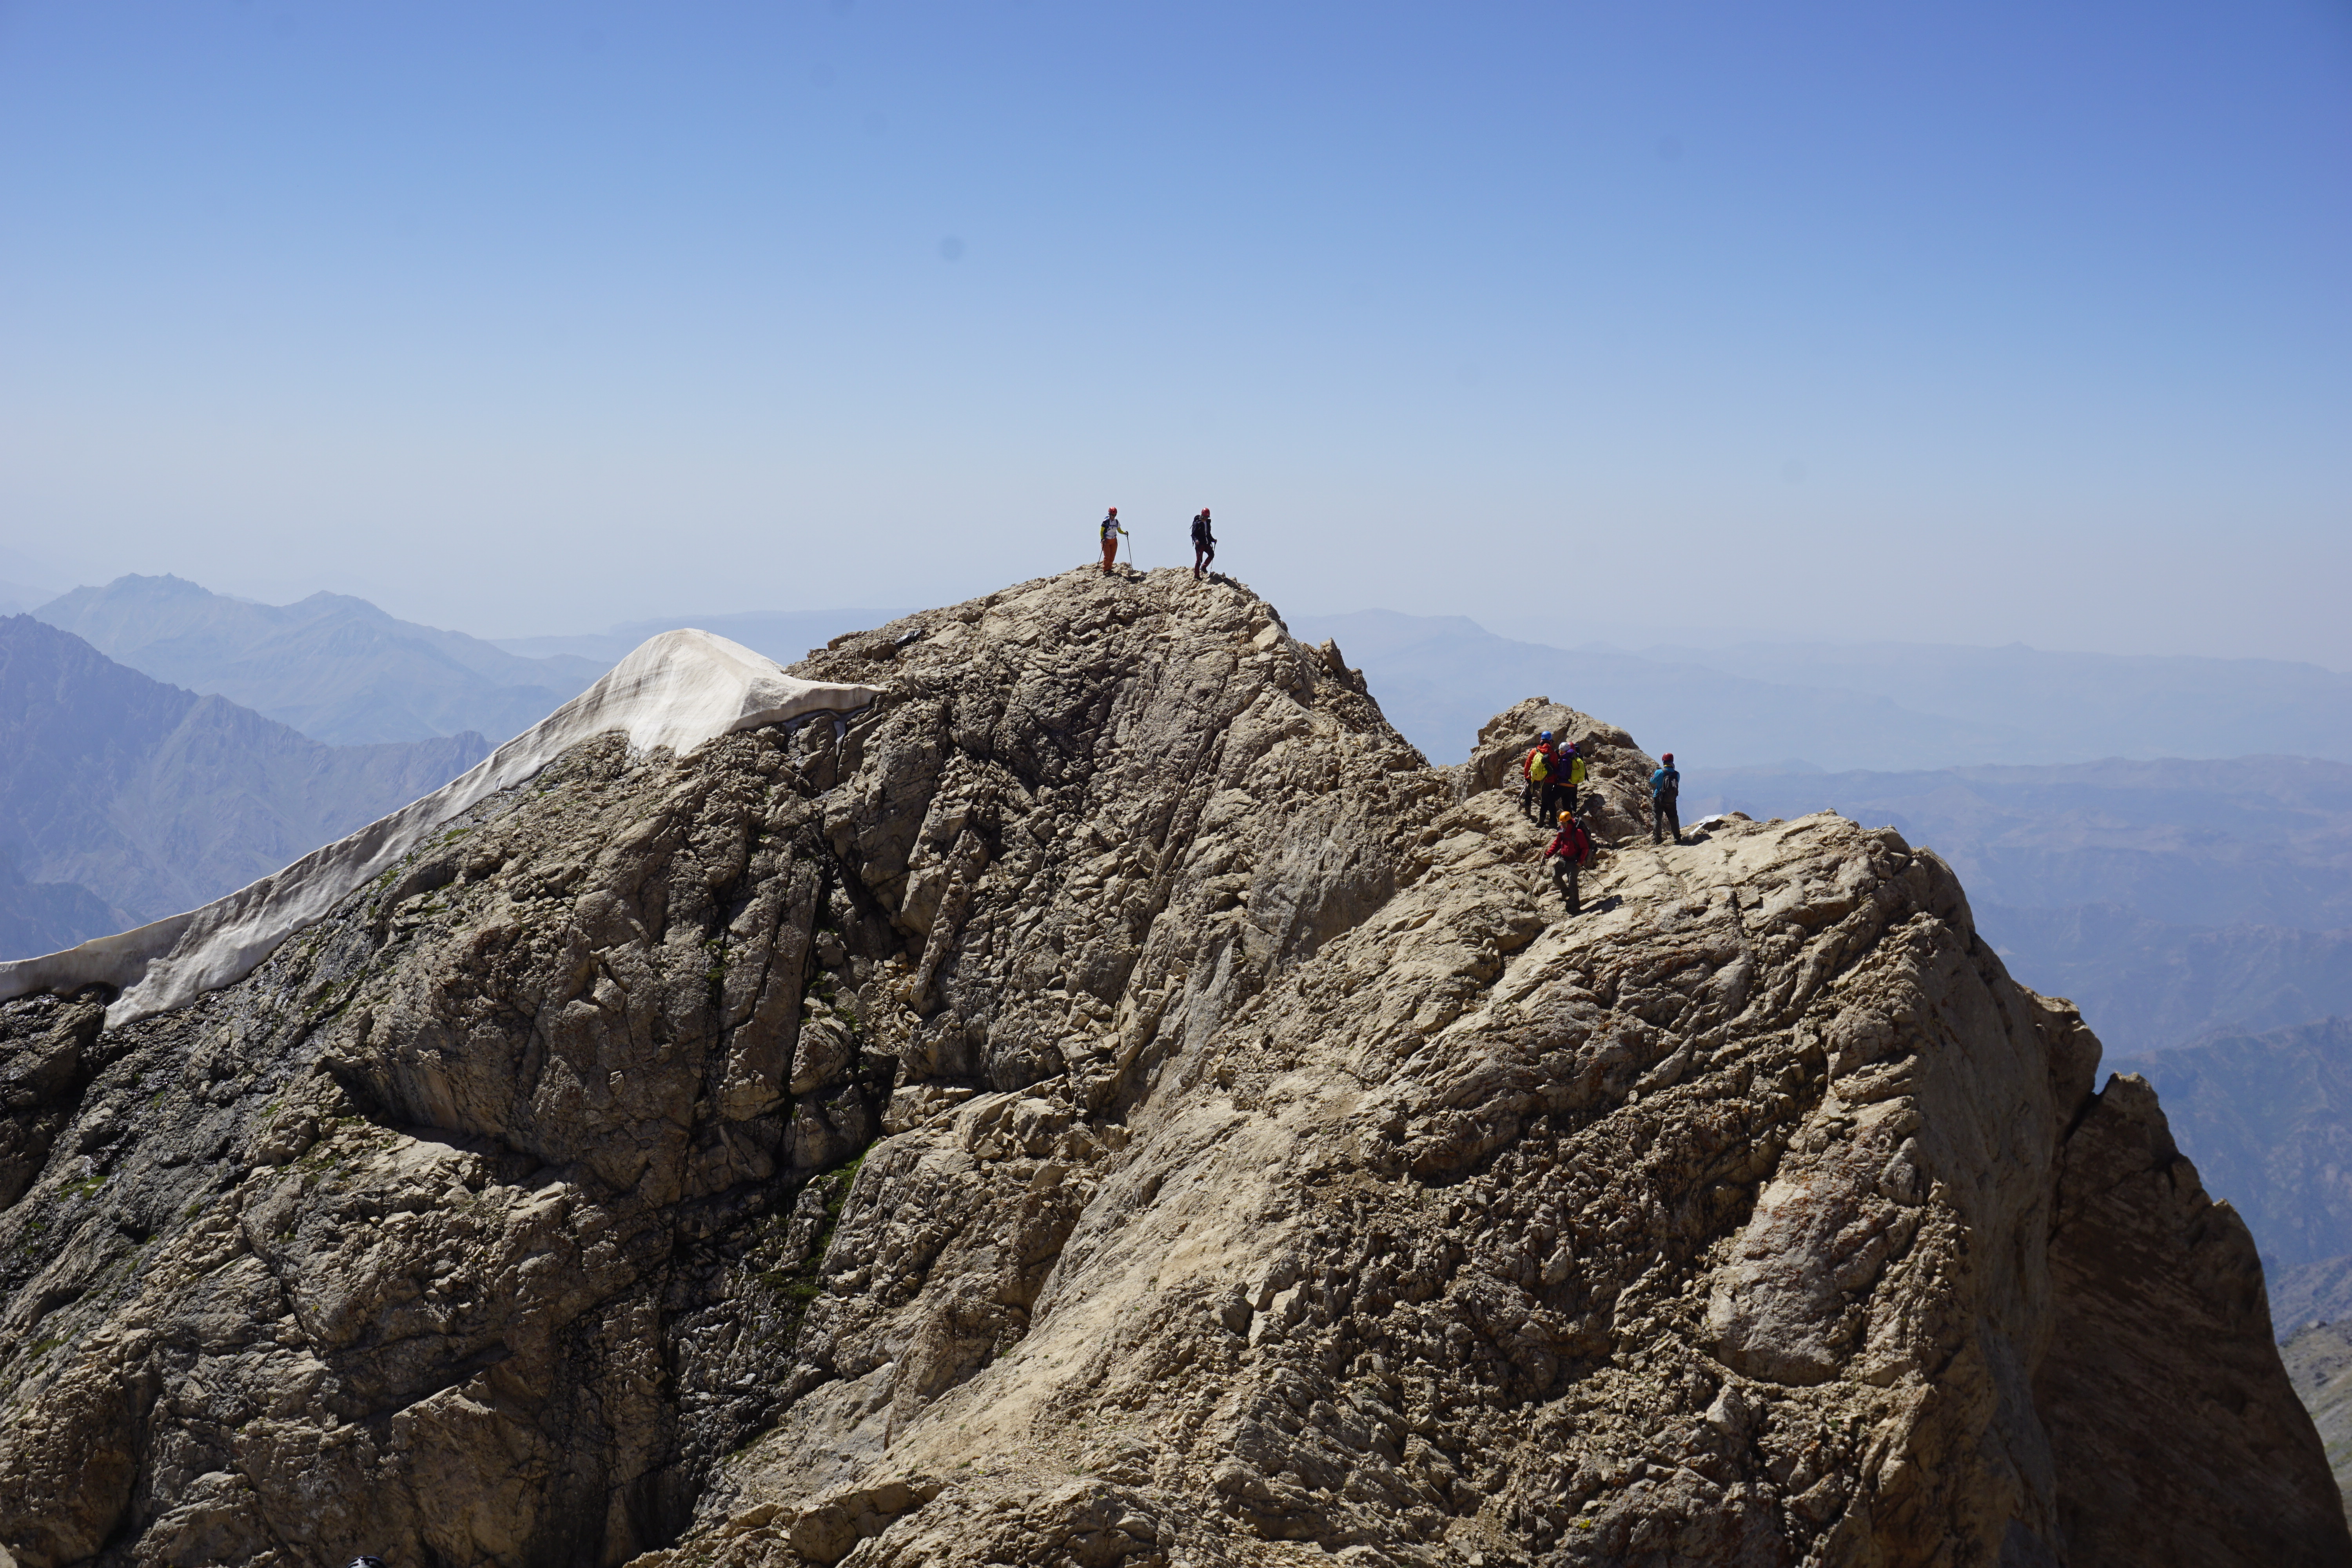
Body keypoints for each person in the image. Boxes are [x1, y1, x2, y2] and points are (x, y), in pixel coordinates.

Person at [1543, 808, 1594, 913]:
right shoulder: (1562, 831)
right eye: (1562, 823)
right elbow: (1557, 844)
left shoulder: (1578, 832)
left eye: (1564, 823)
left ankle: (1576, 906)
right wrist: (1548, 854)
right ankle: (1566, 893)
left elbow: (1585, 848)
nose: (1563, 825)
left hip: (1574, 861)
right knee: (1555, 876)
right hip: (1564, 859)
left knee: (1573, 884)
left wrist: (1580, 862)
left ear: (1569, 822)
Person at [1520, 731, 1559, 823]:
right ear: (1550, 741)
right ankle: (1541, 820)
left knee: (1529, 793)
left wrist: (1527, 777)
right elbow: (1556, 768)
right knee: (1545, 800)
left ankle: (1528, 812)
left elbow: (1528, 765)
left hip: (1534, 778)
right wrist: (1555, 780)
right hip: (1548, 780)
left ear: (1541, 740)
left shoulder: (1534, 751)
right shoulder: (1553, 754)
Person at [1650, 751, 1682, 845]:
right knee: (1674, 819)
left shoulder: (1659, 772)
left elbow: (1652, 782)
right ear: (1672, 761)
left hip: (1659, 799)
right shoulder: (1677, 774)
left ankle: (1657, 839)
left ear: (1664, 761)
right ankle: (1677, 837)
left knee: (1658, 819)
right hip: (1672, 800)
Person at [1099, 508, 1128, 575]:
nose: (1114, 516)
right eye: (1112, 515)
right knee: (1107, 556)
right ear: (1110, 514)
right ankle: (1105, 570)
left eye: (1115, 515)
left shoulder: (1116, 522)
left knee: (1112, 556)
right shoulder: (1106, 521)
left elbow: (1119, 531)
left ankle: (1109, 569)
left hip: (1114, 541)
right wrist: (1102, 539)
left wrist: (1125, 533)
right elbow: (1102, 531)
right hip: (1106, 541)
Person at [1191, 508, 1217, 579]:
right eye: (1205, 517)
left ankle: (1204, 567)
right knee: (1199, 560)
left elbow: (1208, 534)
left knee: (1212, 555)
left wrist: (1213, 540)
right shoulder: (1197, 524)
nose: (1206, 518)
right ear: (1202, 515)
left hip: (1207, 543)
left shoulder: (1207, 523)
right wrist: (1196, 540)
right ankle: (1197, 576)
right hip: (1200, 545)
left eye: (1207, 517)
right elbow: (1193, 534)